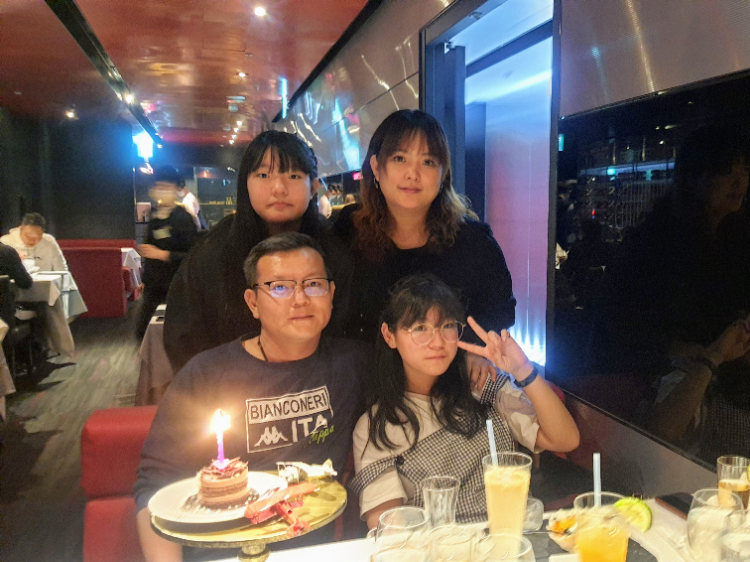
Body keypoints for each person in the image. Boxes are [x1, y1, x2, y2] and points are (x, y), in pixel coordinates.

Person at [135, 233, 368, 562]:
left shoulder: (354, 364)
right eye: (280, 287)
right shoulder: (207, 373)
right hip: (220, 553)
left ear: (331, 294)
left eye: (313, 284)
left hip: (311, 551)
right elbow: (156, 482)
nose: (300, 299)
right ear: (253, 303)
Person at [350, 274, 579, 529]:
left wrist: (523, 369)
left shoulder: (484, 386)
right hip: (437, 547)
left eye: (447, 325)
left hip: (511, 538)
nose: (437, 342)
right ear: (389, 335)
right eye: (420, 328)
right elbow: (387, 528)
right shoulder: (377, 426)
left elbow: (565, 439)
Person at [164, 131, 351, 373]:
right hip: (231, 386)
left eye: (294, 175)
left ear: (313, 187)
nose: (279, 188)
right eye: (263, 175)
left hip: (318, 384)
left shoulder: (334, 251)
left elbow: (344, 335)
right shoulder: (214, 252)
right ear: (245, 185)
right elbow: (183, 336)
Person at [335, 110, 516, 348]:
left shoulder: (474, 241)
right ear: (376, 167)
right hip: (362, 368)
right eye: (400, 158)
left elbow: (500, 312)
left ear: (443, 174)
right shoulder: (348, 229)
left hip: (447, 368)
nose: (413, 174)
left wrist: (473, 352)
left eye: (428, 162)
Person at [136, 167, 198, 339]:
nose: (160, 190)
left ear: (176, 189)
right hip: (154, 285)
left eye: (165, 186)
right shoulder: (154, 215)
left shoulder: (183, 218)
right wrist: (145, 280)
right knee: (144, 332)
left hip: (177, 285)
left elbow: (193, 256)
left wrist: (163, 254)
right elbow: (149, 250)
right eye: (158, 186)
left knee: (176, 334)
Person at [0, 213, 67, 271]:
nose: (32, 240)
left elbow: (62, 269)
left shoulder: (49, 241)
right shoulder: (5, 242)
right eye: (28, 236)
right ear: (21, 228)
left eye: (38, 237)